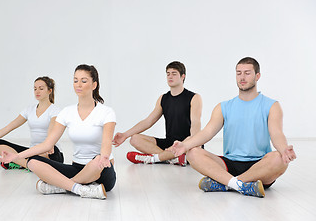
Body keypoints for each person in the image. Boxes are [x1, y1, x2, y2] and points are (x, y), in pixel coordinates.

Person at [168, 57, 296, 198]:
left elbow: (276, 134)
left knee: (279, 159)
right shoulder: (224, 107)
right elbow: (207, 132)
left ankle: (227, 183)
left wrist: (284, 149)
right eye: (238, 73)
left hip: (259, 165)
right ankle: (240, 184)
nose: (242, 77)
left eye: (247, 73)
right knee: (192, 152)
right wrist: (184, 146)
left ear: (257, 76)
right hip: (229, 165)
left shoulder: (271, 105)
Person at [0, 64, 116, 199]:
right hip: (77, 168)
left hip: (101, 171)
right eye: (75, 80)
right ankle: (80, 189)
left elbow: (106, 142)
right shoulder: (67, 112)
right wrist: (17, 157)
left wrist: (105, 156)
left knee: (98, 159)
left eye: (84, 81)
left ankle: (62, 186)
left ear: (94, 85)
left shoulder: (106, 112)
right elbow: (47, 144)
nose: (78, 84)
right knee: (33, 162)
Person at [112, 61, 202, 166]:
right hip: (169, 143)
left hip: (187, 143)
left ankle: (158, 158)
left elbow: (195, 129)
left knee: (194, 143)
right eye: (168, 74)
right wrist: (125, 135)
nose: (170, 76)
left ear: (183, 76)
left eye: (174, 74)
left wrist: (184, 145)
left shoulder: (194, 98)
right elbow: (148, 122)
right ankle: (170, 158)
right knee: (135, 139)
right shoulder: (163, 98)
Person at [0, 76, 64, 169]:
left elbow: (52, 129)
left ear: (49, 91)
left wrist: (50, 144)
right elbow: (9, 127)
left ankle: (21, 162)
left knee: (52, 152)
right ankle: (28, 165)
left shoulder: (55, 111)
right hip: (31, 152)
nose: (37, 91)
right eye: (35, 89)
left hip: (49, 152)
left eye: (41, 88)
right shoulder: (29, 110)